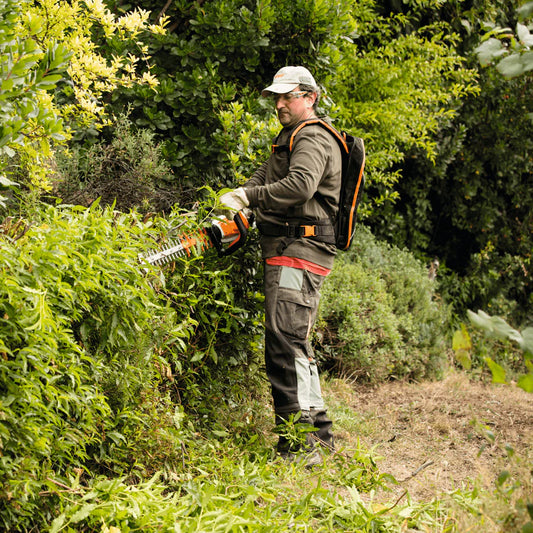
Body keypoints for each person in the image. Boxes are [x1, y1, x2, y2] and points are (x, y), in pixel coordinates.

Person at [219, 66, 341, 464]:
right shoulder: (289, 138)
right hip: (290, 247)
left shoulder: (313, 136)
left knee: (284, 343)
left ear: (310, 97)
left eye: (288, 96)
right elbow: (267, 178)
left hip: (299, 249)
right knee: (294, 343)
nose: (280, 103)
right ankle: (317, 437)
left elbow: (301, 186)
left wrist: (250, 197)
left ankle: (299, 446)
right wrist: (243, 200)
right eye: (277, 96)